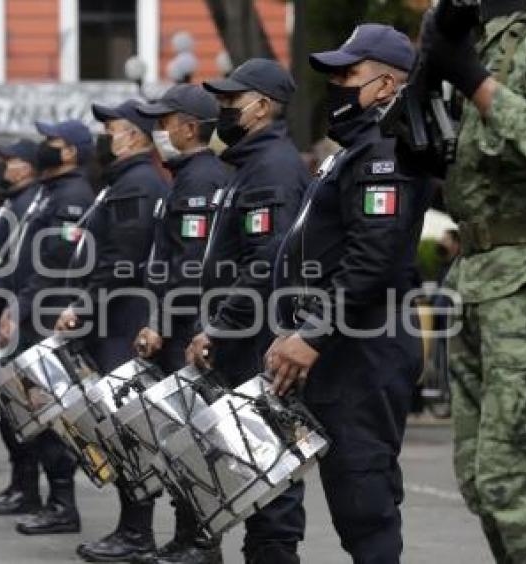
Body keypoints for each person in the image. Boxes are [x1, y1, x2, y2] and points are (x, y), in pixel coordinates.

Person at [263, 25, 427, 563]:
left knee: (363, 493)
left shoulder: (385, 149)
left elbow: (370, 261)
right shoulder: (354, 150)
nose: (336, 86)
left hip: (367, 342)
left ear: (386, 85)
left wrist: (313, 332)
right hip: (344, 340)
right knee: (352, 491)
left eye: (347, 74)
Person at [422, 2, 526, 560]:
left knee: (524, 480)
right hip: (478, 276)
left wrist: (476, 82)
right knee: (484, 481)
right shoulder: (486, 32)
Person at [184, 58, 309, 562]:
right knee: (252, 464)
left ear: (260, 106)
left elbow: (265, 264)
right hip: (247, 337)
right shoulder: (250, 164)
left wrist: (218, 326)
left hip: (260, 339)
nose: (222, 110)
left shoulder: (271, 167)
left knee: (269, 465)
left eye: (230, 101)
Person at [50, 99, 169, 563]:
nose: (107, 137)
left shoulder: (136, 185)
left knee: (127, 429)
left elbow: (122, 261)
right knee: (118, 428)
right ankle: (131, 528)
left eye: (114, 128)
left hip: (123, 319)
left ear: (136, 136)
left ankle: (137, 532)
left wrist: (83, 305)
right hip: (114, 317)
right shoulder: (123, 181)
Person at [132, 84, 229, 564]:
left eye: (165, 121)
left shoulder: (198, 180)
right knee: (178, 437)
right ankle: (185, 536)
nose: (159, 131)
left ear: (189, 128)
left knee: (190, 437)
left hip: (187, 328)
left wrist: (164, 325)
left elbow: (190, 265)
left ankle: (199, 543)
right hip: (180, 324)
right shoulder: (187, 176)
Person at [0, 119, 95, 536]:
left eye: (52, 141)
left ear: (71, 151)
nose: (44, 147)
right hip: (31, 313)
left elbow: (53, 264)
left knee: (47, 410)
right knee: (26, 408)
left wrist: (18, 308)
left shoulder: (72, 195)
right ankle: (36, 492)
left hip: (46, 314)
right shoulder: (51, 192)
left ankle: (63, 505)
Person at [0, 140, 47, 517]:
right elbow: (0, 260)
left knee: (20, 410)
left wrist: (7, 306)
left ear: (31, 166)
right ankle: (22, 484)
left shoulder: (33, 201)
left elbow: (24, 265)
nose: (5, 166)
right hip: (4, 310)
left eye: (13, 160)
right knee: (7, 409)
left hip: (21, 316)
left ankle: (30, 487)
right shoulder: (17, 201)